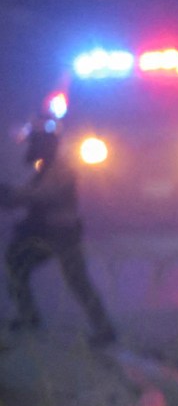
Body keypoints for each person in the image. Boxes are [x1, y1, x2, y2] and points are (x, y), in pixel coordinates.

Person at [3, 128, 115, 347]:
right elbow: (30, 193)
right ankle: (29, 315)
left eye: (35, 144)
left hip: (62, 234)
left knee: (77, 281)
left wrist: (12, 195)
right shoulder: (46, 168)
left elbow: (43, 195)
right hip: (48, 233)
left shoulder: (60, 169)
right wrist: (10, 195)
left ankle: (104, 328)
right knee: (15, 265)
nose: (31, 149)